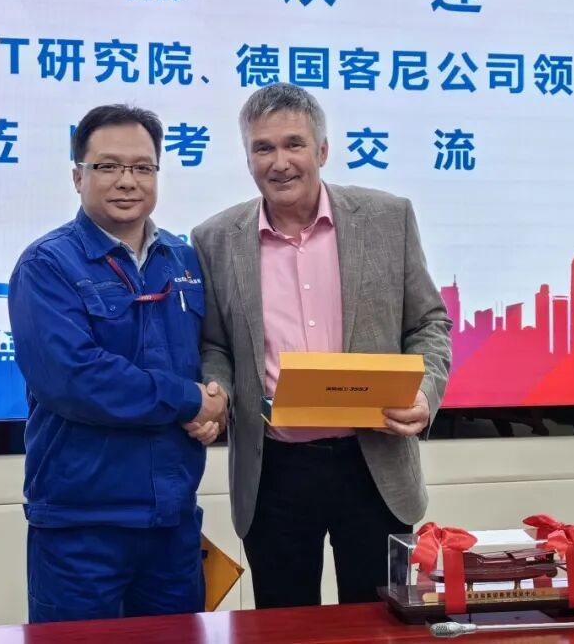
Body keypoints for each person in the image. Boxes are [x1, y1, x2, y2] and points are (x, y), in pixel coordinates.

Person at [189, 82, 451, 608]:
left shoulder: (388, 218)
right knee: (284, 628)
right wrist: (216, 392)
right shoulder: (214, 239)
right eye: (263, 148)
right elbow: (215, 345)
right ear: (247, 158)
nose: (280, 162)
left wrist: (426, 392)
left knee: (381, 627)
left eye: (294, 144)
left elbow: (429, 322)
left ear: (323, 150)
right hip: (274, 470)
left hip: (373, 461)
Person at [8, 104, 227, 623]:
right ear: (78, 176)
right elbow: (76, 379)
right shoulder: (47, 264)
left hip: (172, 521)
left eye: (142, 167)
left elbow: (212, 350)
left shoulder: (183, 260)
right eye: (108, 166)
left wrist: (218, 400)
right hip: (81, 525)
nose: (127, 181)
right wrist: (191, 400)